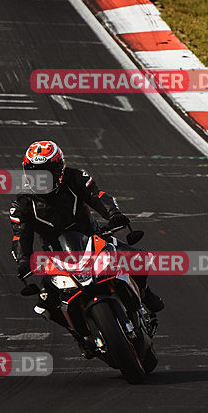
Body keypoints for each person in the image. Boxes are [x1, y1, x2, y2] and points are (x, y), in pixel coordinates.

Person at [9, 140, 164, 355]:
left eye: (46, 173)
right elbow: (20, 237)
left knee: (138, 258)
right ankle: (80, 334)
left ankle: (143, 295)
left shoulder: (75, 177)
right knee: (45, 305)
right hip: (57, 255)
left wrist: (114, 214)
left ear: (59, 170)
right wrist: (24, 261)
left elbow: (98, 197)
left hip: (93, 239)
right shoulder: (23, 203)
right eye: (35, 173)